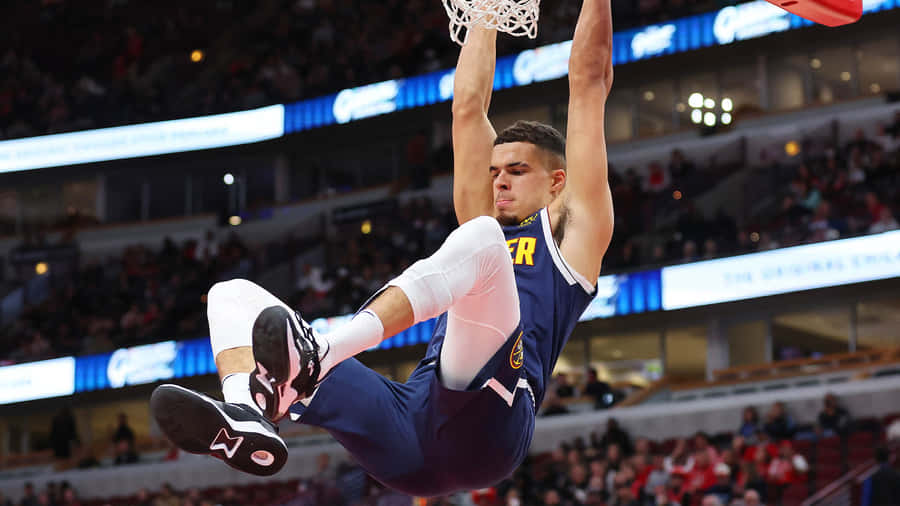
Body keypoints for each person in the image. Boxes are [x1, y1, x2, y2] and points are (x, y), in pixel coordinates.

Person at [150, 0, 615, 495]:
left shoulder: (573, 230)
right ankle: (247, 410)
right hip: (408, 430)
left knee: (482, 239)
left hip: (492, 424)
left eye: (516, 172)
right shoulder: (479, 220)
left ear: (556, 183)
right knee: (230, 294)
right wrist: (485, 14)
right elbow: (467, 110)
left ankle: (321, 353)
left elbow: (589, 81)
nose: (498, 181)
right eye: (494, 171)